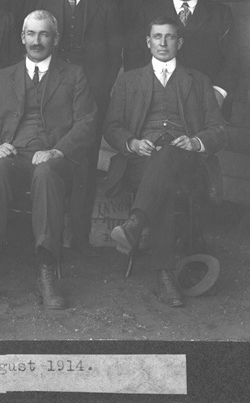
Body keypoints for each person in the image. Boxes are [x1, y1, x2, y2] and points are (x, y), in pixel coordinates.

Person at [0, 10, 97, 311]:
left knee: (46, 174)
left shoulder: (73, 74)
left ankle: (46, 270)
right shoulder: (3, 77)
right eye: (31, 34)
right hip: (13, 153)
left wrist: (58, 151)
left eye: (43, 34)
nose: (36, 41)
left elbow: (87, 123)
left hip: (53, 156)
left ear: (55, 39)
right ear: (22, 37)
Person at [105, 16, 227, 307]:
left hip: (187, 165)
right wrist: (133, 143)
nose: (162, 42)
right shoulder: (128, 80)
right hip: (140, 163)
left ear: (179, 43)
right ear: (148, 42)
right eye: (156, 37)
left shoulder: (198, 81)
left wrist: (195, 141)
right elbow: (111, 126)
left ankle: (137, 225)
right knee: (163, 182)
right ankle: (164, 274)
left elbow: (219, 130)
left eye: (169, 37)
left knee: (170, 157)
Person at [36, 0, 122, 256]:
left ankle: (79, 234)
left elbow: (114, 57)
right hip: (54, 93)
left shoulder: (106, 6)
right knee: (53, 156)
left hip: (92, 96)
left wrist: (96, 93)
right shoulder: (46, 4)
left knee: (84, 163)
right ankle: (50, 232)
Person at [140, 0, 236, 114]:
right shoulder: (150, 12)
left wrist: (219, 92)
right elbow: (139, 57)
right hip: (159, 102)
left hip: (206, 101)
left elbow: (234, 58)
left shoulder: (220, 13)